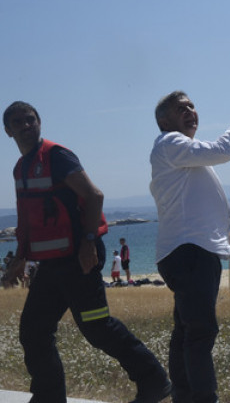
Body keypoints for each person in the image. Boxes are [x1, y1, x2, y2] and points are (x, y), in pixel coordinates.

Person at [1, 100, 171, 403]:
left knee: (96, 327)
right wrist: (19, 257)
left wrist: (89, 241)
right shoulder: (20, 168)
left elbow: (94, 196)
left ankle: (154, 381)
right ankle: (48, 397)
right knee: (34, 331)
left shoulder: (57, 156)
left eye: (30, 120)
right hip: (52, 266)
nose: (25, 126)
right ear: (7, 130)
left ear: (40, 122)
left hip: (80, 258)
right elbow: (27, 218)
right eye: (17, 122)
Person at [150, 91, 230, 403]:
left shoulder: (182, 155)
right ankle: (202, 398)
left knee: (186, 329)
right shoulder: (171, 143)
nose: (190, 111)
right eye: (181, 109)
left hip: (188, 249)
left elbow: (190, 207)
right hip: (190, 252)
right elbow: (224, 148)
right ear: (164, 122)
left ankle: (184, 395)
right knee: (200, 331)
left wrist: (226, 235)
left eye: (192, 106)